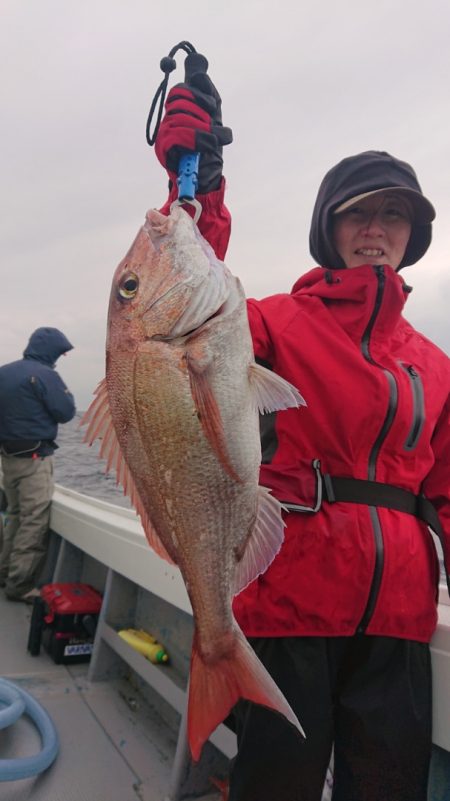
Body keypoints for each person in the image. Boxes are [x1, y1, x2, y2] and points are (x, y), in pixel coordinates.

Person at [154, 58, 450, 801]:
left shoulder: (434, 364)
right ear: (331, 227)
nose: (376, 229)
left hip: (401, 619)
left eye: (394, 215)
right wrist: (199, 187)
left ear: (412, 233)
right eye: (359, 213)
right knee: (273, 786)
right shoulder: (271, 322)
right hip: (289, 601)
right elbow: (183, 298)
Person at [0, 327, 76, 602]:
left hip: (7, 459)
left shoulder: (4, 372)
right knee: (33, 521)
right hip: (34, 459)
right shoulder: (45, 375)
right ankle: (19, 585)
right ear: (51, 351)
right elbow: (66, 412)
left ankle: (4, 571)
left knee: (15, 516)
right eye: (60, 353)